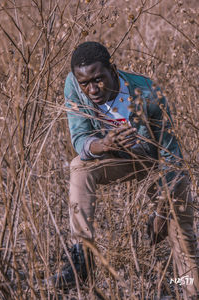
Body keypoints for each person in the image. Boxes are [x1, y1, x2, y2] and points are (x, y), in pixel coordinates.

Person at [47, 42, 199, 299]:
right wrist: (103, 144)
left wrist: (160, 209)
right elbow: (80, 138)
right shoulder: (74, 85)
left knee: (185, 252)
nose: (92, 89)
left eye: (98, 79)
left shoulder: (148, 94)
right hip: (116, 157)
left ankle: (180, 285)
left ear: (113, 70)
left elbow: (171, 159)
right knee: (79, 167)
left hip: (158, 166)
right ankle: (83, 256)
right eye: (85, 83)